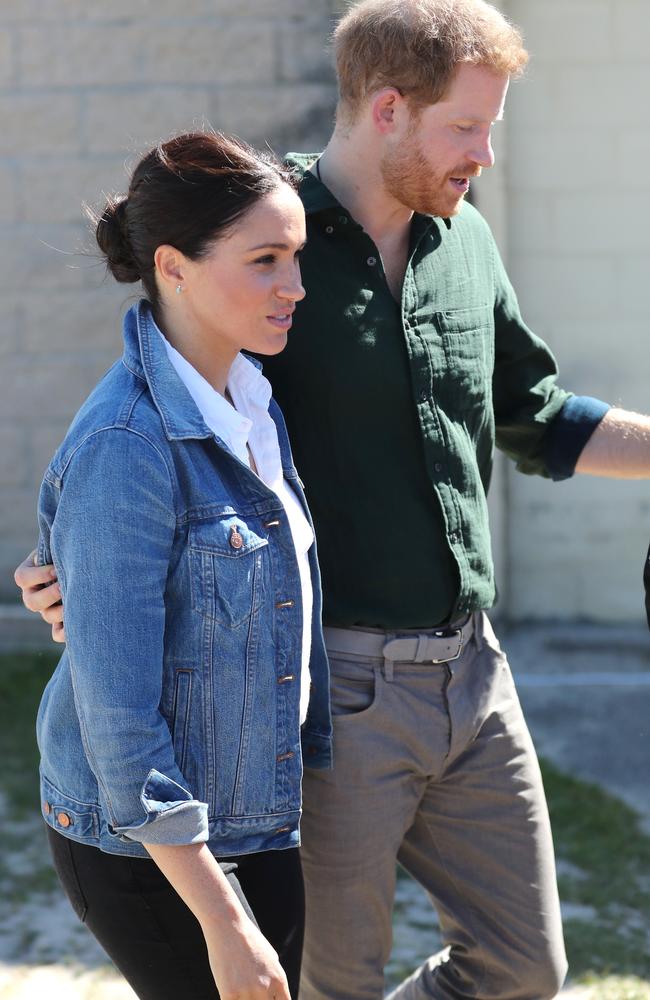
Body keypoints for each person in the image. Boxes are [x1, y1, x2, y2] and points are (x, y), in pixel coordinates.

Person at [15, 1, 650, 999]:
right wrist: (67, 575)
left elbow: (530, 416)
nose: (483, 154)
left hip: (473, 677)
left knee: (524, 967)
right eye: (464, 127)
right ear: (387, 109)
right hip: (329, 689)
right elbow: (159, 432)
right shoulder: (267, 241)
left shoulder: (464, 240)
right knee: (325, 983)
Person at [19, 129, 332, 1000]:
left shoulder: (252, 401)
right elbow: (118, 721)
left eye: (296, 257)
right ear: (174, 266)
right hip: (150, 846)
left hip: (253, 814)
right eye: (266, 260)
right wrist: (225, 923)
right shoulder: (130, 447)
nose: (295, 286)